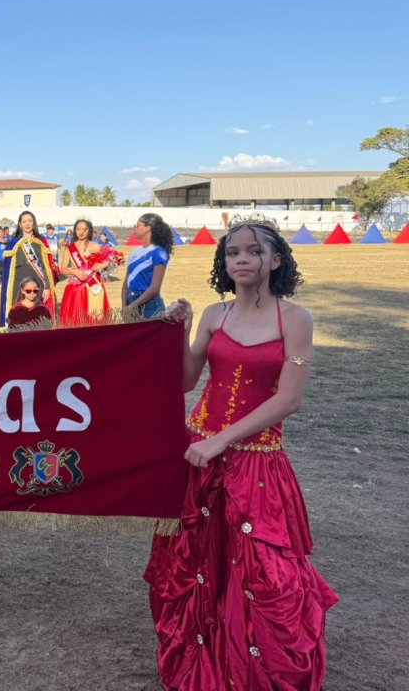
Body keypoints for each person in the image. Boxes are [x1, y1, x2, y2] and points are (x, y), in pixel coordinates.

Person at [144, 218, 337, 690]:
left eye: (254, 251)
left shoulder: (296, 318)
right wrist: (183, 327)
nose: (242, 259)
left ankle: (258, 668)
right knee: (195, 565)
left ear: (275, 260)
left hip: (256, 463)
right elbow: (189, 381)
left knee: (267, 571)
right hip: (200, 458)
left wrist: (221, 440)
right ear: (224, 262)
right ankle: (204, 659)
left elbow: (288, 399)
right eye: (233, 253)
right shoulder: (215, 314)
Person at [0, 211, 59, 330]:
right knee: (19, 315)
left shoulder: (41, 242)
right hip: (18, 284)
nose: (27, 224)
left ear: (34, 223)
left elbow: (46, 266)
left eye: (30, 221)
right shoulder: (13, 243)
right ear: (20, 224)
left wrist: (47, 286)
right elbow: (8, 269)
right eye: (24, 221)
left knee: (37, 315)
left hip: (37, 284)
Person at [60, 218, 120, 327]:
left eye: (84, 229)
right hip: (75, 289)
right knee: (74, 321)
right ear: (75, 230)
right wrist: (74, 272)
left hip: (93, 288)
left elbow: (114, 259)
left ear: (89, 230)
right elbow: (63, 269)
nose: (81, 232)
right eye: (78, 229)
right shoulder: (70, 249)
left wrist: (102, 265)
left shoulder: (96, 246)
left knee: (94, 321)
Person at [122, 212, 173, 318]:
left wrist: (132, 306)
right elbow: (126, 284)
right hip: (130, 304)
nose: (134, 229)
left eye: (137, 225)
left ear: (147, 228)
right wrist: (124, 306)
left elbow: (155, 287)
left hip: (150, 306)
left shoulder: (159, 252)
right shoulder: (134, 252)